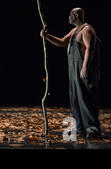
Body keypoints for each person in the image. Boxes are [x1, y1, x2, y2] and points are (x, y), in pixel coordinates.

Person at [40, 7, 102, 138]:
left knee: (85, 98)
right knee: (75, 99)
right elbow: (62, 42)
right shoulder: (74, 31)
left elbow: (90, 49)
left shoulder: (87, 30)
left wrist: (85, 67)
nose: (68, 17)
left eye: (70, 15)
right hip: (73, 70)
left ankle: (92, 128)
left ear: (76, 15)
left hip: (83, 69)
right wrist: (47, 36)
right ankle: (80, 127)